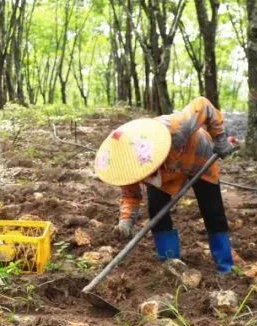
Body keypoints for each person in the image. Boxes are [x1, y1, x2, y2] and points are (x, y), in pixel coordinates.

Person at [93, 96, 237, 278]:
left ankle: (225, 267)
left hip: (200, 159)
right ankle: (171, 264)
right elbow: (131, 195)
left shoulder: (175, 127)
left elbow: (204, 105)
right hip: (165, 175)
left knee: (212, 210)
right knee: (156, 211)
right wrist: (126, 221)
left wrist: (220, 138)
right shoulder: (126, 165)